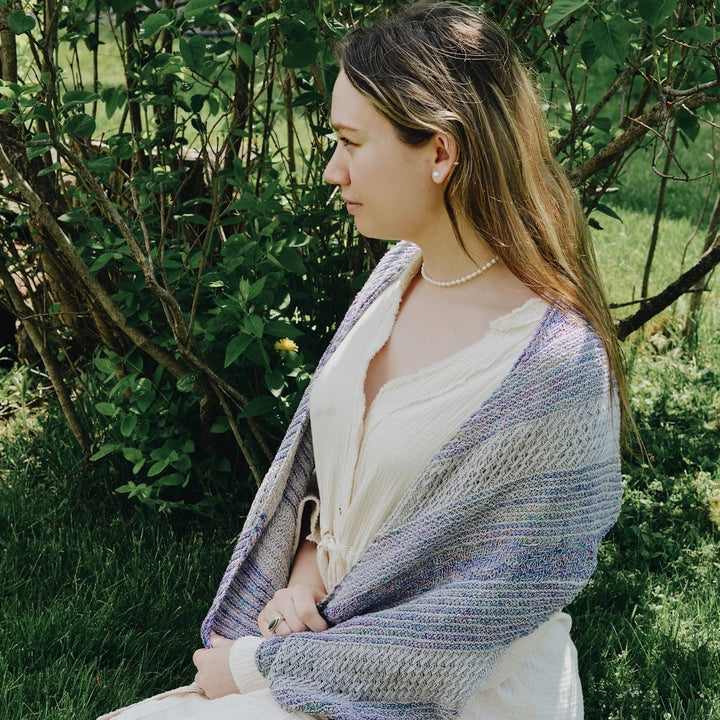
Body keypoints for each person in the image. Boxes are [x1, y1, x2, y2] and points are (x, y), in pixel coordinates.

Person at [98, 1, 625, 718]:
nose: (329, 171)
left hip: (456, 694)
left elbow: (468, 627)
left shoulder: (553, 371)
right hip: (327, 642)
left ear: (441, 152)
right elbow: (338, 493)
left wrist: (255, 665)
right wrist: (306, 582)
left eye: (351, 142)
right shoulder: (396, 277)